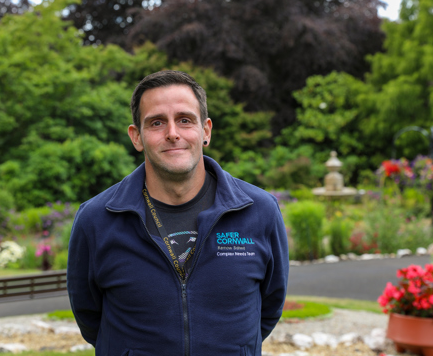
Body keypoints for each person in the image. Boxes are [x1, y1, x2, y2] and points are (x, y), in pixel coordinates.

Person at [67, 70, 289, 355]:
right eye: (157, 122)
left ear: (205, 131)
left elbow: (269, 308)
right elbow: (89, 317)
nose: (173, 133)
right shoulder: (96, 219)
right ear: (136, 137)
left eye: (185, 120)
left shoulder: (260, 212)